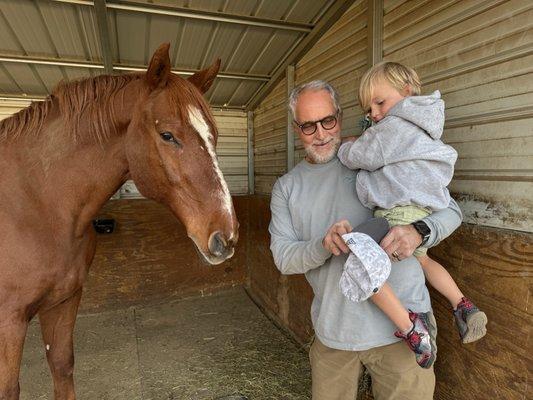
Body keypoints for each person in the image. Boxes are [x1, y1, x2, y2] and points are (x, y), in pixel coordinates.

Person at [269, 79, 463, 400]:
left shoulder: (374, 156)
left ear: (340, 117)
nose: (320, 133)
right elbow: (284, 257)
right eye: (308, 126)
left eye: (327, 121)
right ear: (295, 128)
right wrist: (323, 245)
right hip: (334, 334)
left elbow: (451, 210)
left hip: (403, 333)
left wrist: (418, 232)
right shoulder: (287, 188)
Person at [337, 62, 487, 365]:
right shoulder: (426, 126)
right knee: (424, 258)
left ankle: (411, 328)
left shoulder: (392, 128)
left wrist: (345, 147)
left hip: (399, 214)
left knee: (363, 268)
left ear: (407, 92)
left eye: (380, 102)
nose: (375, 114)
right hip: (422, 209)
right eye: (369, 110)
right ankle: (462, 304)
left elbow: (361, 156)